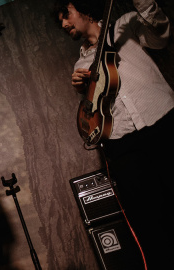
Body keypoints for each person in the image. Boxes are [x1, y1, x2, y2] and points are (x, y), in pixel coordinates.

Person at [55, 0, 174, 268]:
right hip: (122, 143)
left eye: (67, 15)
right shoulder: (80, 63)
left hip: (162, 121)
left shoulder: (125, 25)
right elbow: (93, 108)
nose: (63, 24)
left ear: (84, 9)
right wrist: (81, 90)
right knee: (150, 222)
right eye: (60, 21)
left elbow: (161, 38)